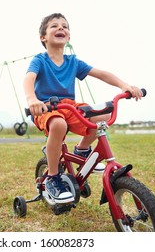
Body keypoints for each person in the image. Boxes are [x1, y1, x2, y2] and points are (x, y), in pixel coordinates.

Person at [24, 13, 143, 203]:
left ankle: (81, 150)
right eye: (54, 26)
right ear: (43, 37)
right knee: (58, 125)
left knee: (102, 115)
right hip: (46, 108)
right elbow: (29, 78)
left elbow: (101, 74)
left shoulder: (73, 62)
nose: (61, 28)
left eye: (65, 26)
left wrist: (124, 85)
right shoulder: (40, 60)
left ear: (69, 37)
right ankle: (53, 177)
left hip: (69, 106)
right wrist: (32, 99)